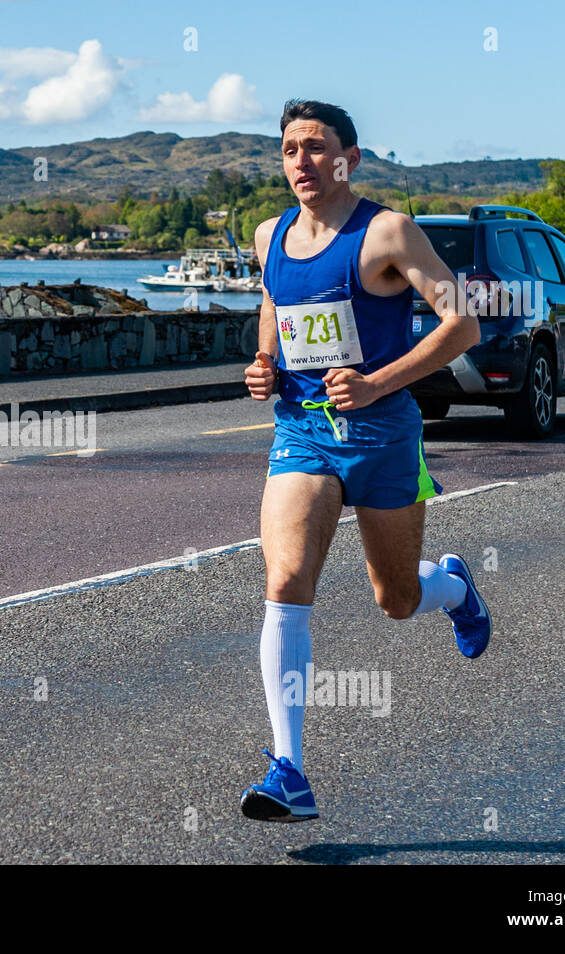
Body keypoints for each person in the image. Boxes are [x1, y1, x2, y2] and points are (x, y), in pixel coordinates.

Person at [240, 100, 492, 822]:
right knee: (285, 578)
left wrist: (377, 383)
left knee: (396, 600)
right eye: (290, 149)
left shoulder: (388, 232)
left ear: (349, 157)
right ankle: (288, 768)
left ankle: (450, 587)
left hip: (383, 434)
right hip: (303, 434)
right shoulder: (271, 234)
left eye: (316, 148)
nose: (302, 162)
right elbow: (272, 302)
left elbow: (463, 322)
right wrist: (263, 362)